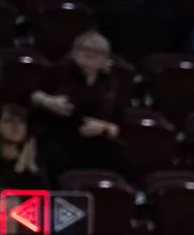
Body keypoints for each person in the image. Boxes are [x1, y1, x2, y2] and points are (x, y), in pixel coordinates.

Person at [31, 31, 126, 173]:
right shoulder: (58, 70)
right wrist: (47, 101)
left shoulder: (110, 82)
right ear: (74, 51)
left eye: (98, 52)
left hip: (95, 140)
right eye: (86, 49)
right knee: (54, 155)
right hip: (58, 135)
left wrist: (104, 127)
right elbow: (32, 95)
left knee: (119, 156)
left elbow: (118, 122)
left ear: (107, 59)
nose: (91, 54)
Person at [0, 103, 48, 190]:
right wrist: (19, 167)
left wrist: (32, 167)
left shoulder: (34, 157)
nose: (16, 127)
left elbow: (47, 196)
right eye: (9, 121)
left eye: (21, 122)